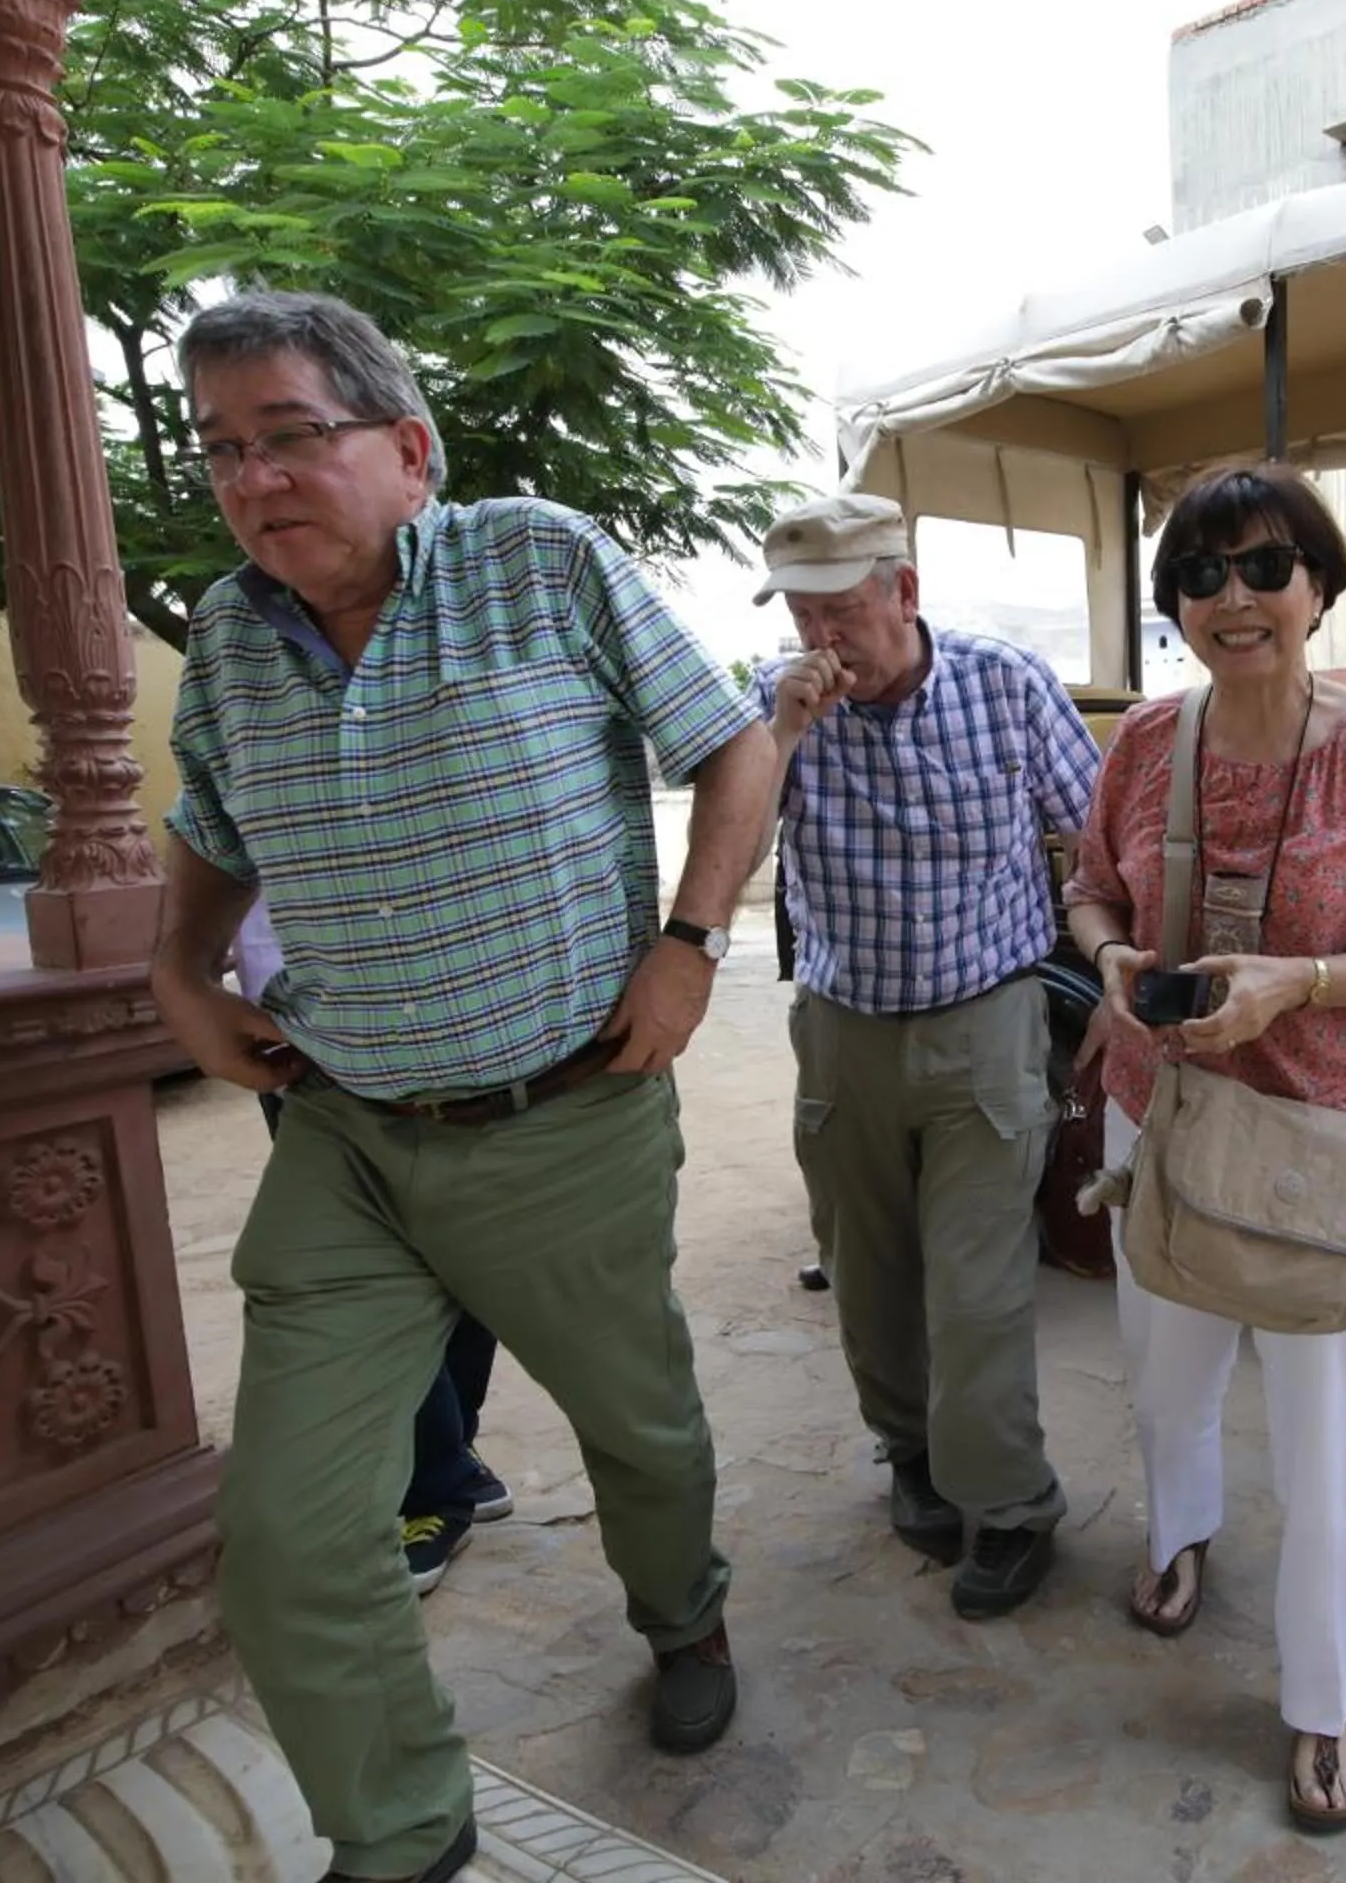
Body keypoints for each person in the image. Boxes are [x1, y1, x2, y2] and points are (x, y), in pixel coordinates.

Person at [149, 291, 776, 1883]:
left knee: (640, 1430)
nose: (253, 479)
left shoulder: (541, 563)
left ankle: (684, 1617)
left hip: (567, 1113)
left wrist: (692, 942)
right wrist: (181, 977)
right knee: (290, 1533)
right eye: (221, 451)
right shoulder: (227, 634)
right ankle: (405, 1840)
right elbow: (211, 832)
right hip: (348, 1137)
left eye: (291, 435)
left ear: (410, 450)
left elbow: (735, 746)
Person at [1063, 465, 1346, 1836]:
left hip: (1325, 1137)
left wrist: (1300, 982)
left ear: (1318, 585)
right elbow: (1092, 887)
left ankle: (1327, 1696)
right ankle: (1180, 1532)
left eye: (1264, 567)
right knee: (1168, 1378)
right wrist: (1112, 957)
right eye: (1200, 574)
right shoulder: (1144, 740)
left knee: (1331, 1437)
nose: (1233, 597)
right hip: (1162, 1113)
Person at [753, 490, 1103, 1619]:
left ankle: (1008, 1503)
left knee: (978, 1288)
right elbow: (734, 852)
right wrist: (785, 735)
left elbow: (1100, 831)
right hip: (843, 1030)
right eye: (803, 615)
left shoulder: (1006, 683)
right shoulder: (772, 702)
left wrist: (1114, 973)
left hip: (984, 1022)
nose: (822, 639)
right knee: (866, 1271)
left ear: (905, 591)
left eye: (843, 612)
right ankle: (909, 1452)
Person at [235, 897, 512, 1596]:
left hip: (449, 1022)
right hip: (307, 1044)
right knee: (379, 1270)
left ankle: (446, 1465)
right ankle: (439, 1477)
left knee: (462, 1254)